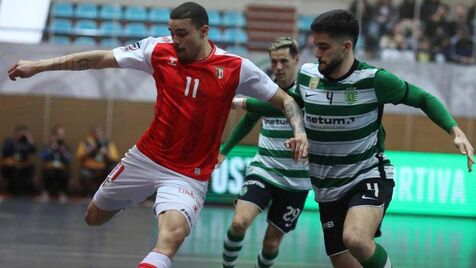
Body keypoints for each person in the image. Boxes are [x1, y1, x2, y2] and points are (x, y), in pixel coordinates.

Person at [7, 2, 308, 268]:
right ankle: (133, 194)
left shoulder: (235, 68)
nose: (175, 40)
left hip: (188, 175)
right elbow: (101, 58)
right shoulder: (158, 49)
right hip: (145, 158)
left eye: (182, 34)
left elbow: (286, 101)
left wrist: (299, 131)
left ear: (204, 31)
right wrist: (38, 66)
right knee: (93, 217)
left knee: (171, 236)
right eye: (171, 32)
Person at [285, 9, 473, 268]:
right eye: (315, 45)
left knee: (356, 238)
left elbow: (423, 98)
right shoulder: (307, 75)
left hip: (368, 174)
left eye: (324, 47)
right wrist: (244, 103)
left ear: (347, 46)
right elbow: (288, 103)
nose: (317, 53)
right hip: (327, 186)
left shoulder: (374, 80)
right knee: (344, 262)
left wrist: (455, 130)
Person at [218, 37, 311, 268]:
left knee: (271, 244)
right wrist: (224, 150)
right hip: (264, 170)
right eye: (274, 61)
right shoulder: (266, 88)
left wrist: (240, 101)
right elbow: (249, 121)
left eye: (284, 61)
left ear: (297, 59)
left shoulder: (309, 91)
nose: (278, 67)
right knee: (239, 222)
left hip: (296, 182)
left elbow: (281, 105)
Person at [76, 126, 119, 196]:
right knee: (84, 174)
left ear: (102, 134)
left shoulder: (107, 143)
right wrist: (88, 152)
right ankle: (87, 195)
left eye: (99, 133)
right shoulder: (86, 143)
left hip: (103, 168)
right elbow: (78, 157)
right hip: (89, 168)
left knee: (113, 170)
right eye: (95, 133)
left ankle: (107, 194)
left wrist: (106, 154)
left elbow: (115, 158)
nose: (97, 135)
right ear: (91, 134)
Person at [0, 125, 37, 196]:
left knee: (30, 168)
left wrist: (30, 139)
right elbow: (5, 151)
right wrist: (16, 142)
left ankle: (25, 189)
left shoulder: (26, 143)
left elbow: (33, 151)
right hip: (9, 165)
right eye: (21, 133)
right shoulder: (9, 141)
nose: (22, 135)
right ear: (16, 133)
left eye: (24, 134)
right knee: (14, 171)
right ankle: (15, 190)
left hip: (22, 165)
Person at [40, 125, 72, 201]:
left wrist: (63, 152)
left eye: (61, 135)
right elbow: (42, 156)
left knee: (64, 174)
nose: (60, 137)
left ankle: (62, 193)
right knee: (48, 173)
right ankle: (45, 193)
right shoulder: (48, 145)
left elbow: (69, 159)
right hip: (49, 167)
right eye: (58, 134)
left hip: (61, 167)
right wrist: (51, 148)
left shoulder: (65, 146)